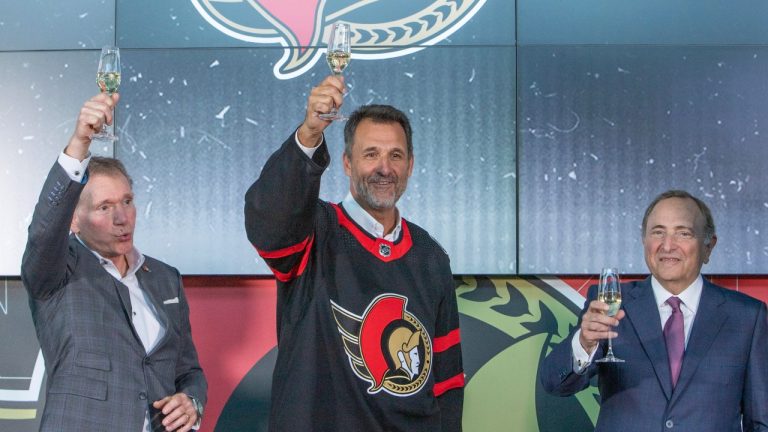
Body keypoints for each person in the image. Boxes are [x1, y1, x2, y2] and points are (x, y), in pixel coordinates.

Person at [244, 75, 464, 431]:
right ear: (347, 163)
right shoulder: (313, 229)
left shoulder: (431, 256)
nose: (384, 168)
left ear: (410, 165)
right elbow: (267, 219)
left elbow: (447, 385)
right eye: (370, 154)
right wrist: (309, 134)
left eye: (395, 155)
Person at [21, 93, 207, 432]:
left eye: (127, 201)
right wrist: (80, 143)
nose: (122, 217)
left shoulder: (165, 278)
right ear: (74, 220)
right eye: (104, 207)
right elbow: (44, 231)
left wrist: (191, 402)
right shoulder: (58, 269)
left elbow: (188, 371)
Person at [540, 190, 768, 431]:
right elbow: (555, 384)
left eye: (683, 233)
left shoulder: (747, 317)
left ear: (708, 247)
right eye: (658, 232)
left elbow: (761, 421)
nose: (667, 246)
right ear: (644, 241)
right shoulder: (608, 305)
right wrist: (584, 343)